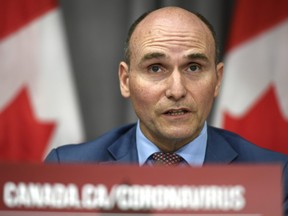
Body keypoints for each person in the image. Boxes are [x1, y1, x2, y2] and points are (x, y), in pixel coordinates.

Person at [45, 6, 288, 213]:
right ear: (125, 80)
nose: (176, 90)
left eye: (193, 68)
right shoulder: (67, 169)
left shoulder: (276, 177)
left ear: (218, 80)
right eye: (155, 68)